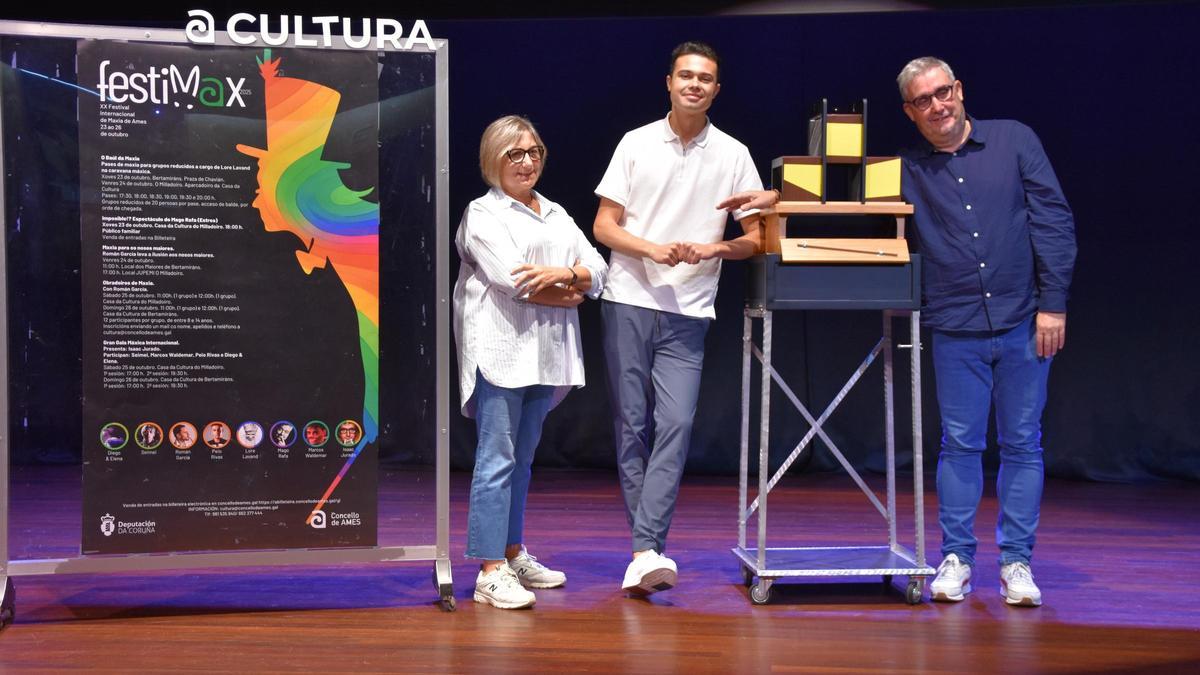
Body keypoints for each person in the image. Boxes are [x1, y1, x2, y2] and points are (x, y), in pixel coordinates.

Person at [895, 57, 1076, 607]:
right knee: (960, 444)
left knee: (1022, 443)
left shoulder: (1014, 139)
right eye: (923, 101)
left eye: (942, 92)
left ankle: (1017, 562)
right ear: (910, 111)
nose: (937, 106)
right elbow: (847, 199)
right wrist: (777, 199)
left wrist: (1054, 304)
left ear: (959, 89)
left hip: (1025, 320)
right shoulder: (905, 169)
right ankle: (957, 558)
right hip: (955, 325)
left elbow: (1052, 220)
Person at [593, 41, 767, 596]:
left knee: (676, 423)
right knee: (631, 424)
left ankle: (645, 548)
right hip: (629, 297)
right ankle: (646, 551)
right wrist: (651, 248)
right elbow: (604, 225)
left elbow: (757, 237)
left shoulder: (733, 154)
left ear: (717, 89)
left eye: (705, 78)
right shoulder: (636, 142)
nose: (694, 84)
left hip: (689, 308)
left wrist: (714, 249)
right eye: (686, 75)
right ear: (669, 82)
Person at [454, 115, 608, 609]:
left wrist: (565, 275)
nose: (527, 162)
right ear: (493, 160)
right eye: (515, 154)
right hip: (501, 352)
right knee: (496, 461)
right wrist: (570, 291)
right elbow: (511, 280)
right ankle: (488, 570)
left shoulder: (556, 212)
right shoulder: (483, 213)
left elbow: (599, 270)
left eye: (534, 152)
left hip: (545, 355)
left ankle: (512, 551)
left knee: (521, 461)